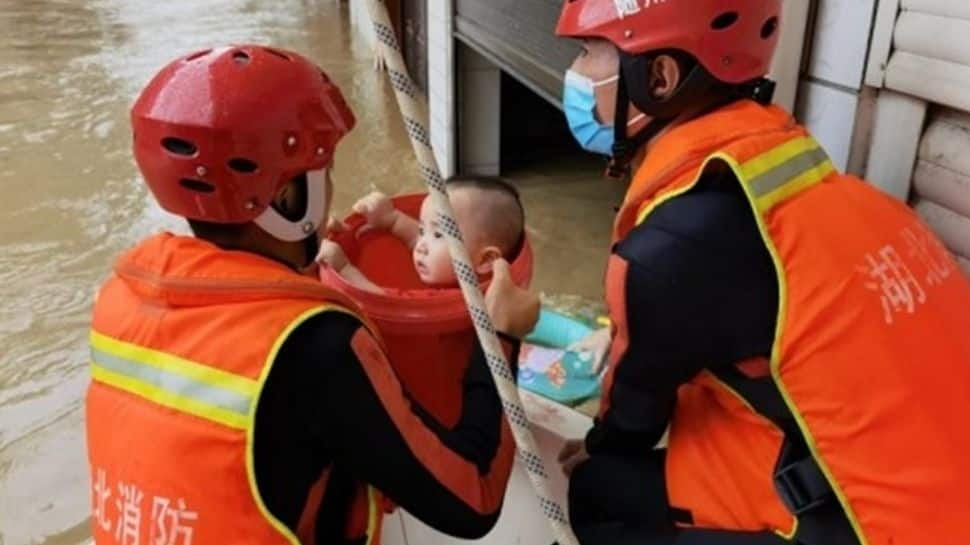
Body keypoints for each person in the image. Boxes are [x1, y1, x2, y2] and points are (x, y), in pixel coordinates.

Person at [553, 2, 970, 545]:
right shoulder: (815, 185)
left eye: (587, 54)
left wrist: (599, 440)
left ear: (659, 77)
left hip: (890, 528)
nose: (576, 77)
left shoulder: (667, 252)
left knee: (600, 490)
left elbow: (630, 422)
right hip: (934, 481)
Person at [85, 45, 538, 545]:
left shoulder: (120, 297)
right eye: (324, 170)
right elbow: (473, 499)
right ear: (287, 195)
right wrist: (501, 335)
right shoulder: (315, 344)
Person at [318, 176, 525, 293]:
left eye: (438, 235)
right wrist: (391, 219)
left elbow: (384, 299)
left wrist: (343, 267)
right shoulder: (479, 271)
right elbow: (415, 239)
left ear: (486, 259)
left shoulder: (468, 299)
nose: (421, 245)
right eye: (422, 230)